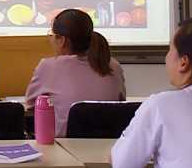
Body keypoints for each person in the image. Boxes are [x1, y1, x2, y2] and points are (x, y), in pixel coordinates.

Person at [111, 18, 192, 168]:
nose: (166, 57)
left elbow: (122, 164)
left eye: (169, 49)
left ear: (183, 63)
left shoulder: (162, 105)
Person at [25, 8, 125, 136]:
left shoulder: (48, 67)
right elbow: (121, 103)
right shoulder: (114, 66)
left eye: (52, 35)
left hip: (64, 145)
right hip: (109, 145)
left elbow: (31, 105)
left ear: (62, 40)